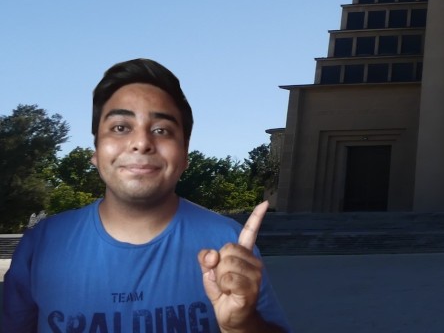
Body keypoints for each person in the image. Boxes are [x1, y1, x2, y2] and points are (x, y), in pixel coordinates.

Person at [2, 59, 291, 333]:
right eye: (120, 128)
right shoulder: (42, 243)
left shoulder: (227, 242)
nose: (141, 143)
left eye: (162, 130)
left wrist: (242, 325)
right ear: (96, 152)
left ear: (184, 155)